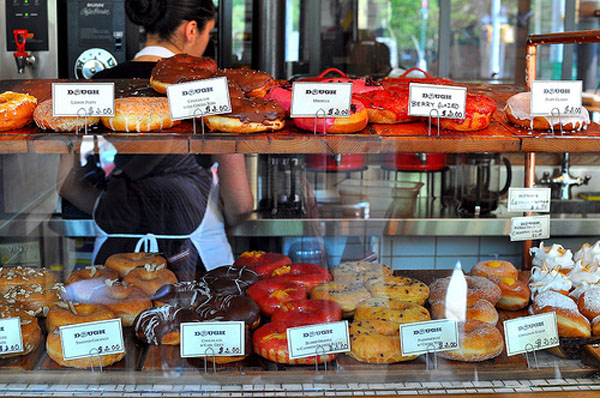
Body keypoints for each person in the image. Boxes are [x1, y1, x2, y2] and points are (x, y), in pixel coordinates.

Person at [58, 0, 253, 281]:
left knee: (118, 322)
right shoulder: (209, 90)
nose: (206, 43)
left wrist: (119, 212)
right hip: (198, 255)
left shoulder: (97, 85)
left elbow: (68, 184)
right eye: (209, 34)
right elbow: (241, 203)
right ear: (191, 29)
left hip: (115, 259)